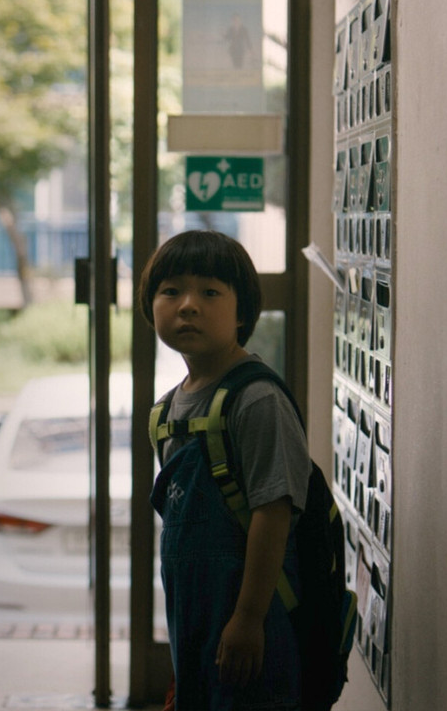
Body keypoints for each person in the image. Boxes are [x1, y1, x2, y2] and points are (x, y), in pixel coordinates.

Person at [140, 230, 311, 710]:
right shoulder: (166, 409)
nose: (188, 305)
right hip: (194, 620)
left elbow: (273, 512)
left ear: (242, 313)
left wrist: (249, 619)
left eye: (210, 292)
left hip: (254, 620)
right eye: (170, 291)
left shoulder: (256, 399)